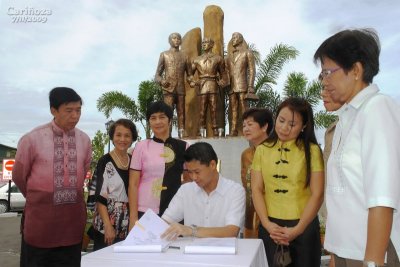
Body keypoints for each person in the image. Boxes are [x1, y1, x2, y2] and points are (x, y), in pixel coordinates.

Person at [314, 28, 400, 266]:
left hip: (371, 254)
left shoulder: (377, 109)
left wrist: (372, 261)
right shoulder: (346, 118)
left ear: (356, 70)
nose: (324, 81)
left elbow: (382, 197)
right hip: (345, 251)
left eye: (329, 72)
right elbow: (341, 196)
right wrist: (333, 255)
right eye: (322, 75)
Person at [12, 87, 92, 267]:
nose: (75, 116)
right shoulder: (32, 139)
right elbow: (19, 177)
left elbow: (83, 172)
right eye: (69, 110)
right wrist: (41, 198)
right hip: (40, 225)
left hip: (72, 224)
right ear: (53, 110)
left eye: (78, 110)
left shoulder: (85, 141)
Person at [251, 97, 324, 267]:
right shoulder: (261, 150)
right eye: (281, 120)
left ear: (304, 126)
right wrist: (267, 224)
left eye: (292, 124)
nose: (284, 128)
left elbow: (317, 193)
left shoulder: (312, 151)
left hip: (303, 227)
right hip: (270, 228)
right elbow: (256, 189)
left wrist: (297, 230)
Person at [161, 142, 245, 240]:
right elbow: (165, 221)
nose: (193, 177)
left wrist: (191, 230)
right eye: (190, 172)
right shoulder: (185, 190)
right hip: (190, 253)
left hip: (224, 253)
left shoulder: (235, 191)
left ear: (213, 165)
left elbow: (231, 231)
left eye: (197, 172)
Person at [128, 101, 188, 231]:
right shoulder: (141, 146)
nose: (157, 122)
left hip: (174, 211)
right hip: (145, 210)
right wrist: (133, 217)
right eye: (153, 118)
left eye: (162, 117)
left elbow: (188, 181)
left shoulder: (183, 147)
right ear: (149, 121)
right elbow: (133, 184)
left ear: (170, 120)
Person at [91, 119, 138, 251]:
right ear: (112, 136)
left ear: (132, 138)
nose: (122, 139)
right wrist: (107, 225)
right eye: (118, 135)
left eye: (127, 135)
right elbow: (100, 197)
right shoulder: (105, 162)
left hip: (128, 222)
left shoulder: (134, 161)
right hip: (108, 222)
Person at [241, 108, 273, 238]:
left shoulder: (275, 151)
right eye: (244, 125)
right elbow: (245, 185)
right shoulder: (246, 155)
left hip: (271, 216)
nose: (246, 129)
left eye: (250, 124)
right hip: (250, 215)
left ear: (264, 126)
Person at [155, 32, 191, 136]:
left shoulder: (185, 56)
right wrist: (162, 81)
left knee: (181, 113)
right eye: (174, 38)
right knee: (167, 113)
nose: (176, 40)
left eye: (178, 38)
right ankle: (168, 135)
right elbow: (157, 75)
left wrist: (193, 81)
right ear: (170, 41)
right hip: (168, 89)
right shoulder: (164, 54)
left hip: (180, 89)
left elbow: (189, 75)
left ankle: (182, 133)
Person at [189, 37, 226, 137]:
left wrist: (222, 82)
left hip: (213, 84)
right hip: (202, 85)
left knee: (214, 109)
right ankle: (201, 130)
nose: (204, 44)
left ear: (211, 45)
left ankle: (215, 130)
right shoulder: (197, 60)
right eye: (203, 42)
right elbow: (189, 74)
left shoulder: (218, 58)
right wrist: (193, 82)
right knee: (202, 109)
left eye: (206, 42)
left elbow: (224, 74)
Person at [226, 32, 257, 136]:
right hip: (232, 87)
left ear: (240, 39)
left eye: (235, 37)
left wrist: (250, 86)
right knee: (233, 109)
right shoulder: (229, 56)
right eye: (232, 37)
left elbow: (252, 70)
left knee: (244, 109)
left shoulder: (247, 52)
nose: (233, 39)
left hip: (242, 85)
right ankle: (233, 130)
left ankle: (246, 130)